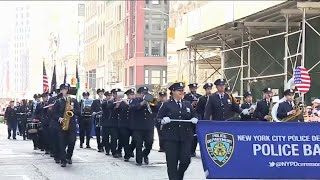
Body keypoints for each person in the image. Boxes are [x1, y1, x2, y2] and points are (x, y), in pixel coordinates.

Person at [157, 82, 198, 180]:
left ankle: (179, 177)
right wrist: (163, 121)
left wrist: (195, 119)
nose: (181, 92)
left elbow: (194, 115)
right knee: (172, 162)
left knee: (186, 160)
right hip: (171, 137)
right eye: (179, 90)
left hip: (185, 137)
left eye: (182, 90)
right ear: (173, 92)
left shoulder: (187, 104)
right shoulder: (166, 105)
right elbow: (158, 119)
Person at [53, 83, 80, 167]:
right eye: (63, 89)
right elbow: (53, 114)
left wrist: (73, 109)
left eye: (66, 89)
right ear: (61, 91)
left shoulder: (74, 101)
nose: (65, 91)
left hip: (71, 125)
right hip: (62, 125)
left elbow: (79, 112)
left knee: (72, 141)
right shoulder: (58, 101)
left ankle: (69, 156)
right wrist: (59, 118)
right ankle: (63, 160)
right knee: (62, 143)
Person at [130, 86, 154, 166]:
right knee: (138, 143)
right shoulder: (135, 100)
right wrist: (142, 103)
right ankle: (139, 160)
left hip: (149, 125)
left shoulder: (151, 100)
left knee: (149, 142)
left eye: (146, 93)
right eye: (143, 93)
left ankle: (145, 154)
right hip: (138, 126)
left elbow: (157, 108)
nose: (144, 95)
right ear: (139, 94)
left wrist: (151, 103)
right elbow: (132, 108)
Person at [118, 88, 135, 161]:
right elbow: (119, 112)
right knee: (125, 140)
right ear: (127, 95)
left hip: (133, 124)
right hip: (124, 124)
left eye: (133, 94)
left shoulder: (136, 102)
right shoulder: (122, 102)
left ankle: (130, 150)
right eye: (131, 94)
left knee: (135, 140)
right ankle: (127, 154)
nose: (132, 96)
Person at [106, 88, 122, 158]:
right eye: (115, 94)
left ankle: (119, 150)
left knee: (121, 138)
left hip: (122, 123)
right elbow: (108, 107)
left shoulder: (123, 101)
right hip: (113, 122)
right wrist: (116, 105)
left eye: (118, 93)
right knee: (114, 138)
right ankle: (114, 151)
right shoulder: (111, 101)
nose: (117, 95)